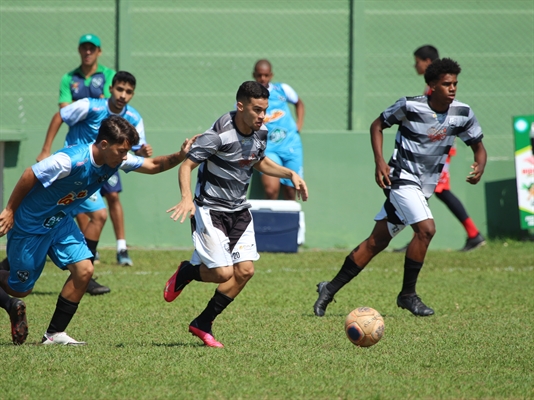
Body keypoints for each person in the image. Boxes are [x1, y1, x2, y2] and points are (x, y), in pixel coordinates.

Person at [314, 58, 487, 318]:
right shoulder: (410, 105)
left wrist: (480, 165)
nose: (452, 88)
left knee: (377, 241)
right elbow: (377, 125)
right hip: (401, 178)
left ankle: (329, 288)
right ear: (431, 85)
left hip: (424, 186)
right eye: (446, 84)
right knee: (426, 230)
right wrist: (380, 161)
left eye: (455, 84)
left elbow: (478, 147)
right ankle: (407, 295)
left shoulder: (462, 113)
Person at [0, 115, 194, 345]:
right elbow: (29, 174)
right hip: (29, 224)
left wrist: (181, 155)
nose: (125, 157)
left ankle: (54, 335)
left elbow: (153, 165)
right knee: (20, 289)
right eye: (121, 151)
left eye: (126, 152)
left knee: (84, 271)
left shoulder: (116, 159)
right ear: (103, 144)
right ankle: (12, 301)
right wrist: (10, 210)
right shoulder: (68, 160)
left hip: (60, 221)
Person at [163, 81, 308, 348]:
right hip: (210, 209)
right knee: (222, 273)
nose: (262, 116)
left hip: (238, 210)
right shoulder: (218, 135)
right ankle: (187, 272)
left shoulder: (261, 131)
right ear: (240, 106)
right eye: (256, 110)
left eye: (264, 110)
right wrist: (186, 199)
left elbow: (259, 160)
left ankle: (203, 322)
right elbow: (187, 166)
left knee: (245, 271)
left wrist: (290, 173)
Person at [37, 71, 152, 295]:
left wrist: (143, 150)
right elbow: (60, 115)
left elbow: (137, 147)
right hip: (75, 170)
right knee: (88, 216)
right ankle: (83, 271)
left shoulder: (134, 117)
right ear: (111, 88)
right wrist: (45, 150)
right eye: (120, 89)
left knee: (62, 220)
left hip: (98, 173)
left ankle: (82, 270)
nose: (123, 95)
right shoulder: (92, 106)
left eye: (128, 92)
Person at [393, 45, 485, 252]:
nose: (415, 66)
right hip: (432, 152)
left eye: (417, 61)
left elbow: (443, 122)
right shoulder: (431, 89)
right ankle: (419, 237)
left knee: (436, 191)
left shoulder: (436, 87)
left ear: (426, 62)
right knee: (420, 191)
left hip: (437, 153)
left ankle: (473, 234)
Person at [60, 33, 136, 266]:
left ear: (99, 51)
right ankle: (86, 251)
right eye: (84, 47)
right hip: (82, 154)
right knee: (78, 202)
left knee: (111, 196)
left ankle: (120, 247)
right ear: (79, 50)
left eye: (92, 48)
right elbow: (63, 111)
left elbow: (115, 106)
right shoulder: (69, 79)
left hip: (106, 154)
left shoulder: (108, 75)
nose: (88, 51)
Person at [252, 59, 305, 200]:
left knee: (291, 190)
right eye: (259, 75)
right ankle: (270, 222)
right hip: (268, 147)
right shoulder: (249, 96)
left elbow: (299, 103)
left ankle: (289, 222)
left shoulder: (282, 90)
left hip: (290, 145)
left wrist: (298, 125)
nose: (262, 78)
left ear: (271, 75)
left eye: (266, 75)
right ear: (254, 75)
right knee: (271, 190)